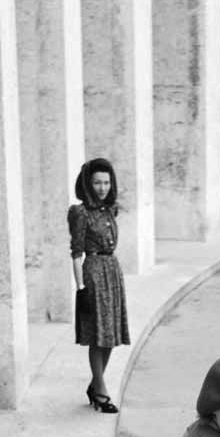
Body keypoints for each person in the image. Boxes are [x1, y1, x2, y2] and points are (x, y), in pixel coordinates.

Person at [68, 157, 129, 413]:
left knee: (111, 335)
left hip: (112, 271)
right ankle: (101, 390)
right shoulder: (80, 213)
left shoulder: (110, 210)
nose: (102, 187)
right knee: (98, 334)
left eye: (106, 182)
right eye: (97, 183)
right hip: (93, 273)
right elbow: (76, 253)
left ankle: (95, 384)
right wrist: (81, 288)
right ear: (88, 184)